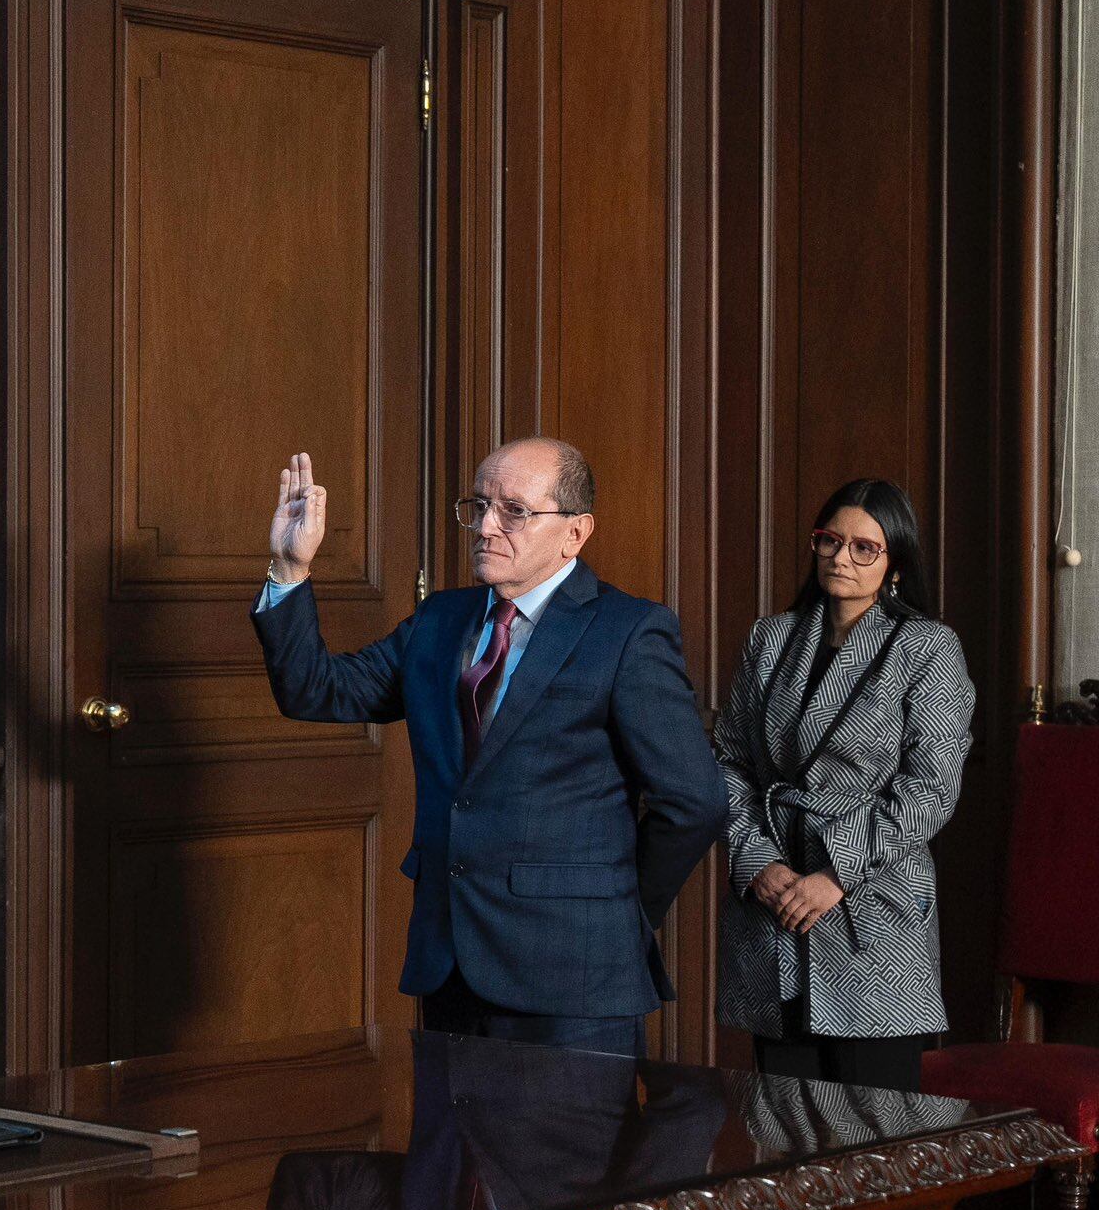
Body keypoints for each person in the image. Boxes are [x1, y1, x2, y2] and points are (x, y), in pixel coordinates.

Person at [253, 441, 727, 1057]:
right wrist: (290, 569)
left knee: (563, 1154)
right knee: (446, 1155)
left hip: (574, 971)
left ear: (574, 533)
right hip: (448, 962)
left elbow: (694, 801)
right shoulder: (440, 619)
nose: (485, 526)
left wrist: (620, 910)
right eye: (477, 506)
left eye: (513, 510)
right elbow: (317, 691)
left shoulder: (630, 631)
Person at [714, 479, 973, 1092]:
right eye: (830, 540)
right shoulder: (771, 638)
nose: (840, 558)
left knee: (874, 1133)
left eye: (864, 548)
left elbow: (930, 788)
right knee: (780, 1124)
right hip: (773, 905)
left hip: (871, 912)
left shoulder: (927, 648)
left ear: (895, 565)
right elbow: (728, 761)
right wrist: (757, 864)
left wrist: (834, 873)